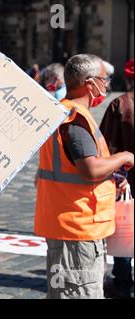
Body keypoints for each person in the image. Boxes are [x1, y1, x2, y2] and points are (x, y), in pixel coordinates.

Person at [34, 54, 134, 299]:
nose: (107, 85)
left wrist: (109, 182)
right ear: (90, 83)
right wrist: (123, 156)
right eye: (104, 79)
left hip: (68, 225)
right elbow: (90, 169)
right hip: (76, 229)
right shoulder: (76, 120)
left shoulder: (64, 113)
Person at [100, 58, 134, 299]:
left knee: (125, 228)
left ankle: (123, 282)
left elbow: (105, 147)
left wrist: (118, 174)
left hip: (126, 179)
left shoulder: (120, 104)